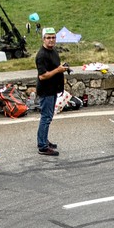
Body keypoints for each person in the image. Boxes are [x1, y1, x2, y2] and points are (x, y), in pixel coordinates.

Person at [34, 28, 65, 156]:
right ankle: (42, 146)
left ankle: (44, 140)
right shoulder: (41, 55)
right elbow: (42, 76)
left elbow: (55, 67)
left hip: (53, 90)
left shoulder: (53, 51)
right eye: (48, 37)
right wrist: (58, 70)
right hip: (46, 91)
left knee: (48, 117)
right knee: (46, 117)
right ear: (43, 39)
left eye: (53, 37)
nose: (51, 40)